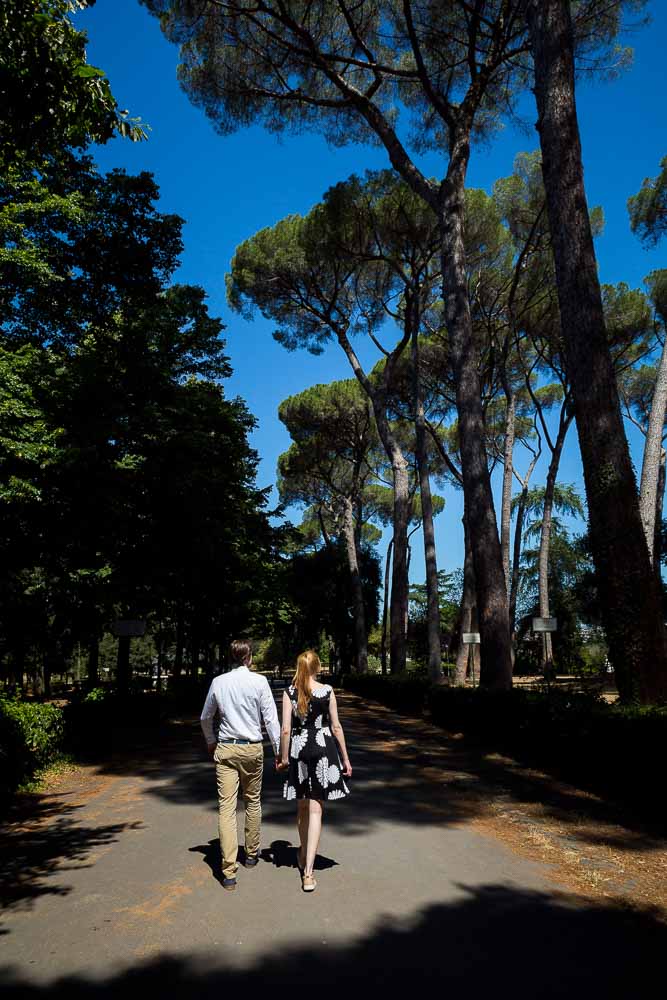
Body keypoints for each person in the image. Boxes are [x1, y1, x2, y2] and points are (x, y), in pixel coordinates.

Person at [200, 639, 281, 892]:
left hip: (226, 748)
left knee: (226, 807)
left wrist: (211, 741)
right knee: (252, 800)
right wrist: (279, 752)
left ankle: (228, 871)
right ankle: (251, 854)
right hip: (252, 748)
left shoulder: (218, 682)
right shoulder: (259, 682)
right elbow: (271, 720)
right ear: (249, 657)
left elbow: (205, 717)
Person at [278, 650, 352, 892]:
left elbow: (286, 729)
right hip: (323, 750)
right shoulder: (327, 691)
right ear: (317, 667)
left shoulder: (289, 692)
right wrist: (345, 759)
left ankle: (301, 853)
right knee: (316, 811)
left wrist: (283, 757)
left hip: (299, 751)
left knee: (301, 806)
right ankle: (308, 872)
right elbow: (336, 726)